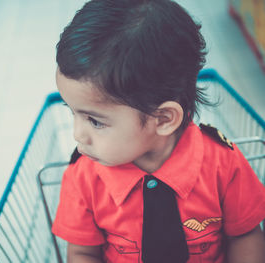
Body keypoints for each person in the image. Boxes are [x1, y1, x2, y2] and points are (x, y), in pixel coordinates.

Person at [51, 0, 265, 262]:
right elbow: (83, 252)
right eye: (73, 112)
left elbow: (245, 235)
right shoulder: (83, 177)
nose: (77, 135)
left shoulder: (223, 165)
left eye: (95, 121)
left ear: (163, 119)